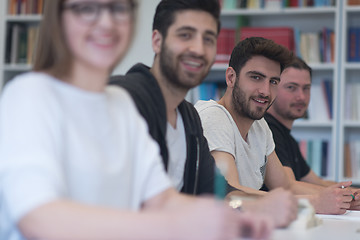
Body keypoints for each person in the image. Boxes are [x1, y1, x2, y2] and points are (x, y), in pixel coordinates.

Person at [0, 1, 272, 240]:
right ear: (60, 19)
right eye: (86, 8)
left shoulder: (121, 107)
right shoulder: (30, 95)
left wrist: (235, 218)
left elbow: (162, 199)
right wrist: (175, 226)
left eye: (119, 9)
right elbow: (39, 217)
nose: (106, 22)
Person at [110, 0, 297, 228]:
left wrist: (259, 206)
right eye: (185, 35)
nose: (198, 49)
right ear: (157, 41)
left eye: (208, 39)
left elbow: (219, 192)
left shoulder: (189, 118)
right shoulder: (123, 99)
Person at [195, 36, 355, 215]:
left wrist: (345, 197)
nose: (265, 91)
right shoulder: (213, 116)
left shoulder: (259, 126)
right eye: (256, 77)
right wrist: (315, 202)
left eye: (273, 82)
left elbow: (286, 186)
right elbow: (231, 192)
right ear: (231, 77)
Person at [264, 56, 360, 210]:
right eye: (291, 87)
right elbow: (289, 186)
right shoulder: (267, 129)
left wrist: (354, 192)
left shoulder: (287, 137)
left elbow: (316, 182)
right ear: (273, 87)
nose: (301, 96)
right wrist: (346, 196)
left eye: (306, 88)